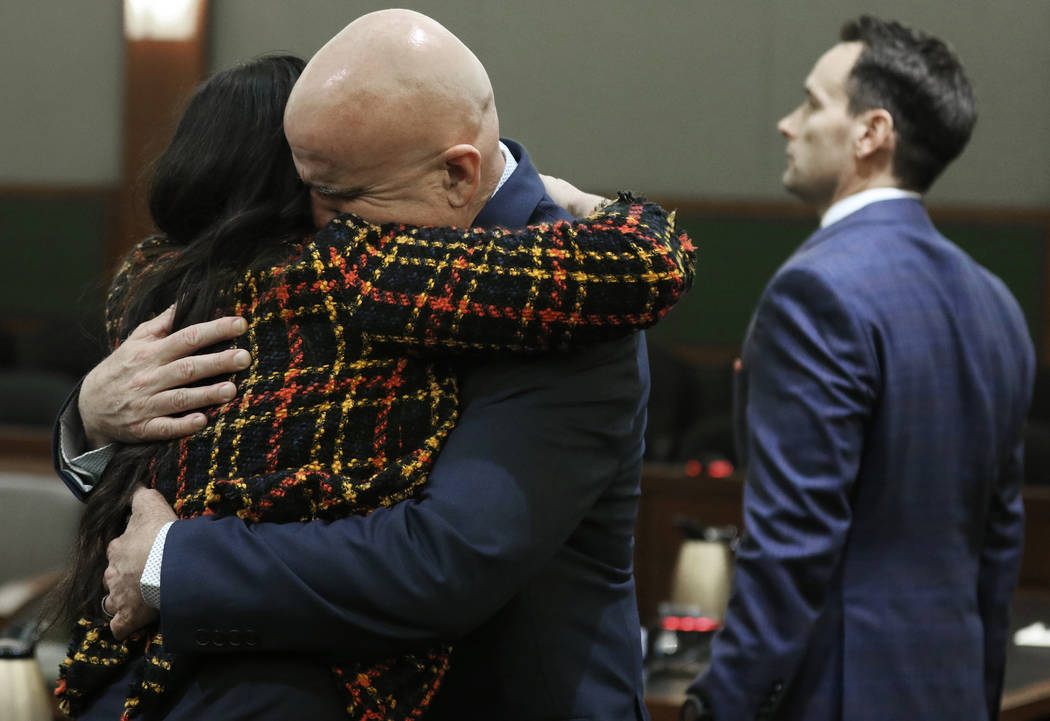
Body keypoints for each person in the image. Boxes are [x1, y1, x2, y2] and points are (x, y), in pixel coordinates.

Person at [55, 10, 685, 721]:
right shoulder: (343, 264)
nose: (322, 229)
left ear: (458, 173)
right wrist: (90, 417)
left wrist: (173, 560)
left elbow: (444, 560)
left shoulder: (571, 301)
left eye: (344, 197)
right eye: (309, 191)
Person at [680, 16, 1035, 721]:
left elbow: (793, 540)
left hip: (841, 693)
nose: (787, 123)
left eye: (812, 103)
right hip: (953, 690)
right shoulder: (996, 302)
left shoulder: (816, 291)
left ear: (871, 133)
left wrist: (722, 704)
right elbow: (1000, 543)